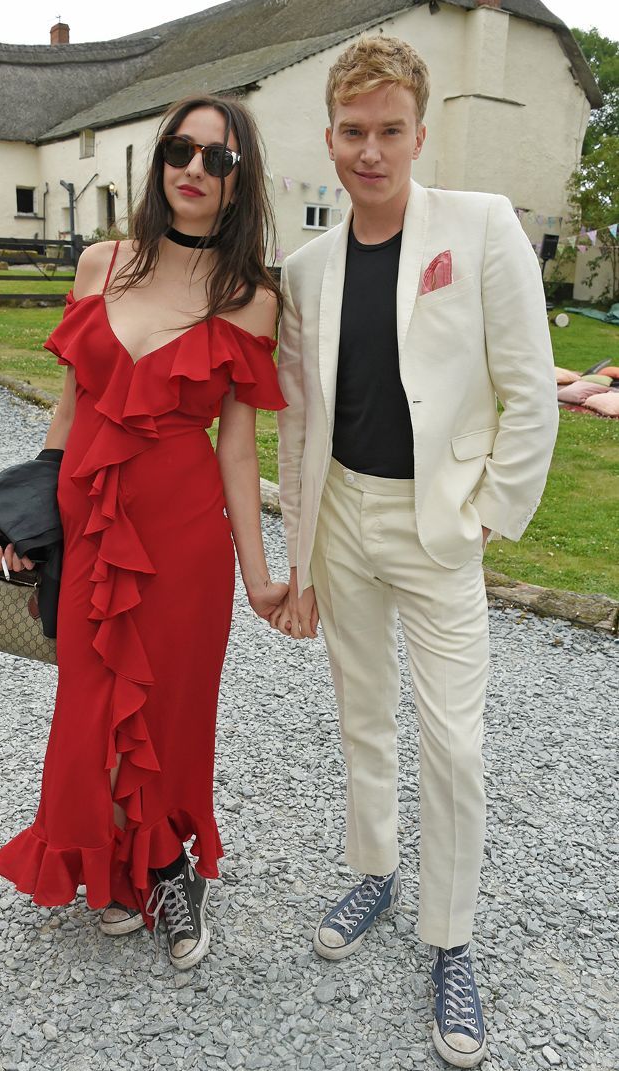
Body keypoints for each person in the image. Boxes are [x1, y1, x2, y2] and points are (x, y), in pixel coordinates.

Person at [273, 36, 558, 1067]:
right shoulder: (306, 267)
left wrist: (488, 513)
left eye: (389, 130)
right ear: (330, 138)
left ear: (418, 132)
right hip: (343, 514)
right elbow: (299, 423)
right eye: (352, 132)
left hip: (441, 524)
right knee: (362, 714)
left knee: (456, 742)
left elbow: (531, 390)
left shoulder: (481, 230)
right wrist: (299, 556)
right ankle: (375, 869)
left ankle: (451, 938)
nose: (371, 150)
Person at [0, 94, 288, 971]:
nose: (195, 168)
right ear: (160, 162)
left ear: (238, 184)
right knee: (89, 696)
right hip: (91, 510)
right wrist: (30, 514)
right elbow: (74, 397)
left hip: (185, 528)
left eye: (218, 159)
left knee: (170, 704)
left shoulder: (251, 296)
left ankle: (163, 863)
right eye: (180, 149)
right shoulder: (100, 264)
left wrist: (260, 573)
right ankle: (113, 855)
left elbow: (238, 449)